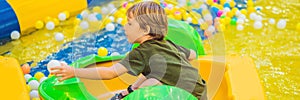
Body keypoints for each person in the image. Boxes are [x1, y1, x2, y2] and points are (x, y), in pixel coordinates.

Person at [51, 1, 206, 100]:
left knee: (151, 85)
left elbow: (110, 73)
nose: (125, 27)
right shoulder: (167, 44)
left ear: (145, 30)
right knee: (154, 78)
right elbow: (192, 55)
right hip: (202, 93)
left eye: (130, 24)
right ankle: (127, 92)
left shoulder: (141, 52)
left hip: (187, 97)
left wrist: (74, 71)